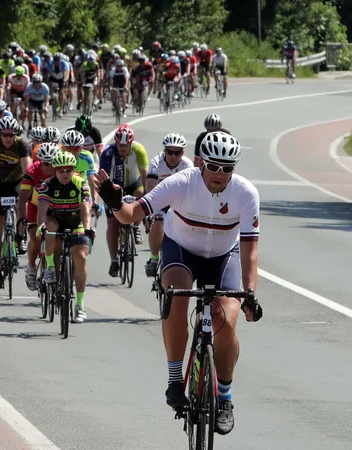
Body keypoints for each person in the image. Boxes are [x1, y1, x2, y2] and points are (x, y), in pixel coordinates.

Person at [96, 131, 260, 435]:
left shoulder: (246, 194)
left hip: (224, 256)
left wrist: (249, 292)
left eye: (227, 169)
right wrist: (115, 201)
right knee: (174, 298)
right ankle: (174, 380)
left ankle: (224, 399)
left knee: (225, 321)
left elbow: (250, 251)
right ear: (199, 163)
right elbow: (132, 215)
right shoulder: (181, 183)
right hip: (181, 250)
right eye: (213, 166)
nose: (219, 175)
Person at [36, 151, 95, 323]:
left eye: (68, 170)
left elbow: (85, 209)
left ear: (73, 170)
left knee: (81, 257)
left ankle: (80, 305)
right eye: (60, 170)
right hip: (54, 220)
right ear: (55, 170)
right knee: (50, 227)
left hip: (75, 221)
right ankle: (51, 268)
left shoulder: (80, 183)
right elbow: (42, 210)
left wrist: (88, 228)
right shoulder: (47, 185)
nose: (64, 174)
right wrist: (41, 227)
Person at [0, 116, 31, 289]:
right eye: (5, 135)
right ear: (0, 134)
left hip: (18, 182)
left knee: (23, 203)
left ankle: (20, 235)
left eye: (11, 135)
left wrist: (29, 191)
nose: (8, 139)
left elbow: (28, 171)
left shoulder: (22, 145)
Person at [99, 124, 148, 276]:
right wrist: (109, 197)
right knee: (113, 224)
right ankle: (114, 261)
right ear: (116, 143)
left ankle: (135, 226)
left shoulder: (139, 150)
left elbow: (145, 174)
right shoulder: (108, 153)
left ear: (131, 144)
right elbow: (103, 177)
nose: (123, 149)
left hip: (134, 183)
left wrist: (147, 196)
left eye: (126, 146)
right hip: (114, 186)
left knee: (141, 194)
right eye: (120, 145)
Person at [144, 133, 193, 277]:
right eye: (169, 152)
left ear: (182, 153)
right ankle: (153, 259)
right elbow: (151, 189)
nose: (173, 156)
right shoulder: (156, 162)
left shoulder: (187, 165)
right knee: (158, 219)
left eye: (177, 153)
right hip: (161, 199)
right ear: (164, 151)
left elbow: (191, 191)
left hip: (179, 201)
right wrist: (149, 213)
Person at [20, 142, 60, 290]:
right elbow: (23, 197)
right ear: (39, 162)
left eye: (52, 163)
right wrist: (21, 218)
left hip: (56, 207)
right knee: (36, 240)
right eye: (45, 163)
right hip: (35, 206)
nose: (49, 167)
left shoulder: (61, 169)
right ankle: (31, 267)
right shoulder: (32, 170)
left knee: (58, 242)